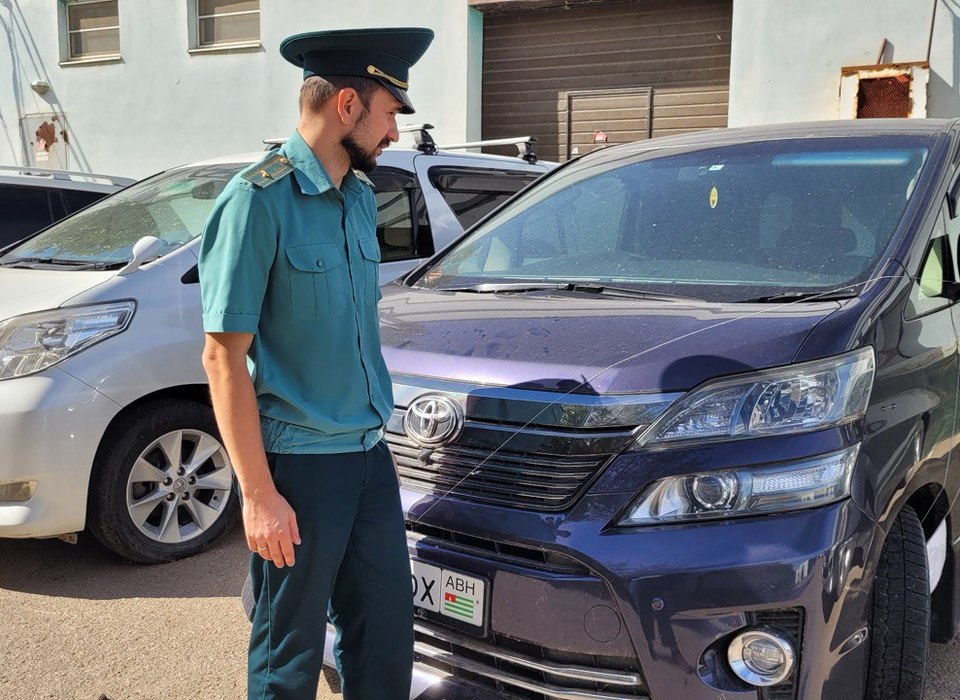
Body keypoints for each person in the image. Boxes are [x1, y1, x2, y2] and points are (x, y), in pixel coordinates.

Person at [198, 27, 434, 700]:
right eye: (390, 113)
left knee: (385, 639)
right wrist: (258, 495)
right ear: (349, 107)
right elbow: (221, 358)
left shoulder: (361, 199)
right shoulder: (256, 201)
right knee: (289, 653)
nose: (395, 132)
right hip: (298, 468)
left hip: (368, 457)